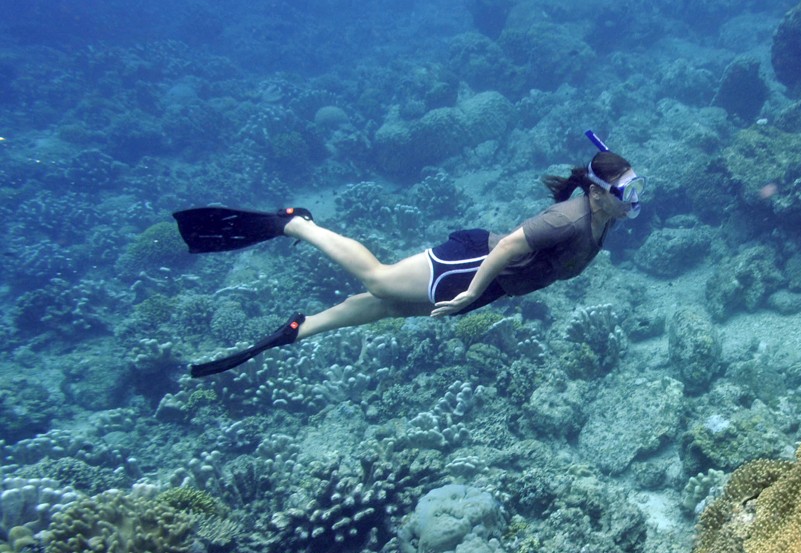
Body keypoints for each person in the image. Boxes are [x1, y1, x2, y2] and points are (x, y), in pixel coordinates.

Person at [173, 142, 643, 377]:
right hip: (473, 263)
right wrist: (471, 294)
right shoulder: (567, 220)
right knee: (380, 281)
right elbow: (505, 248)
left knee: (391, 305)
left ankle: (300, 329)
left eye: (635, 188)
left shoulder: (605, 217)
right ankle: (296, 223)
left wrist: (482, 295)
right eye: (626, 192)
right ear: (598, 196)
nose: (634, 200)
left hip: (493, 284)